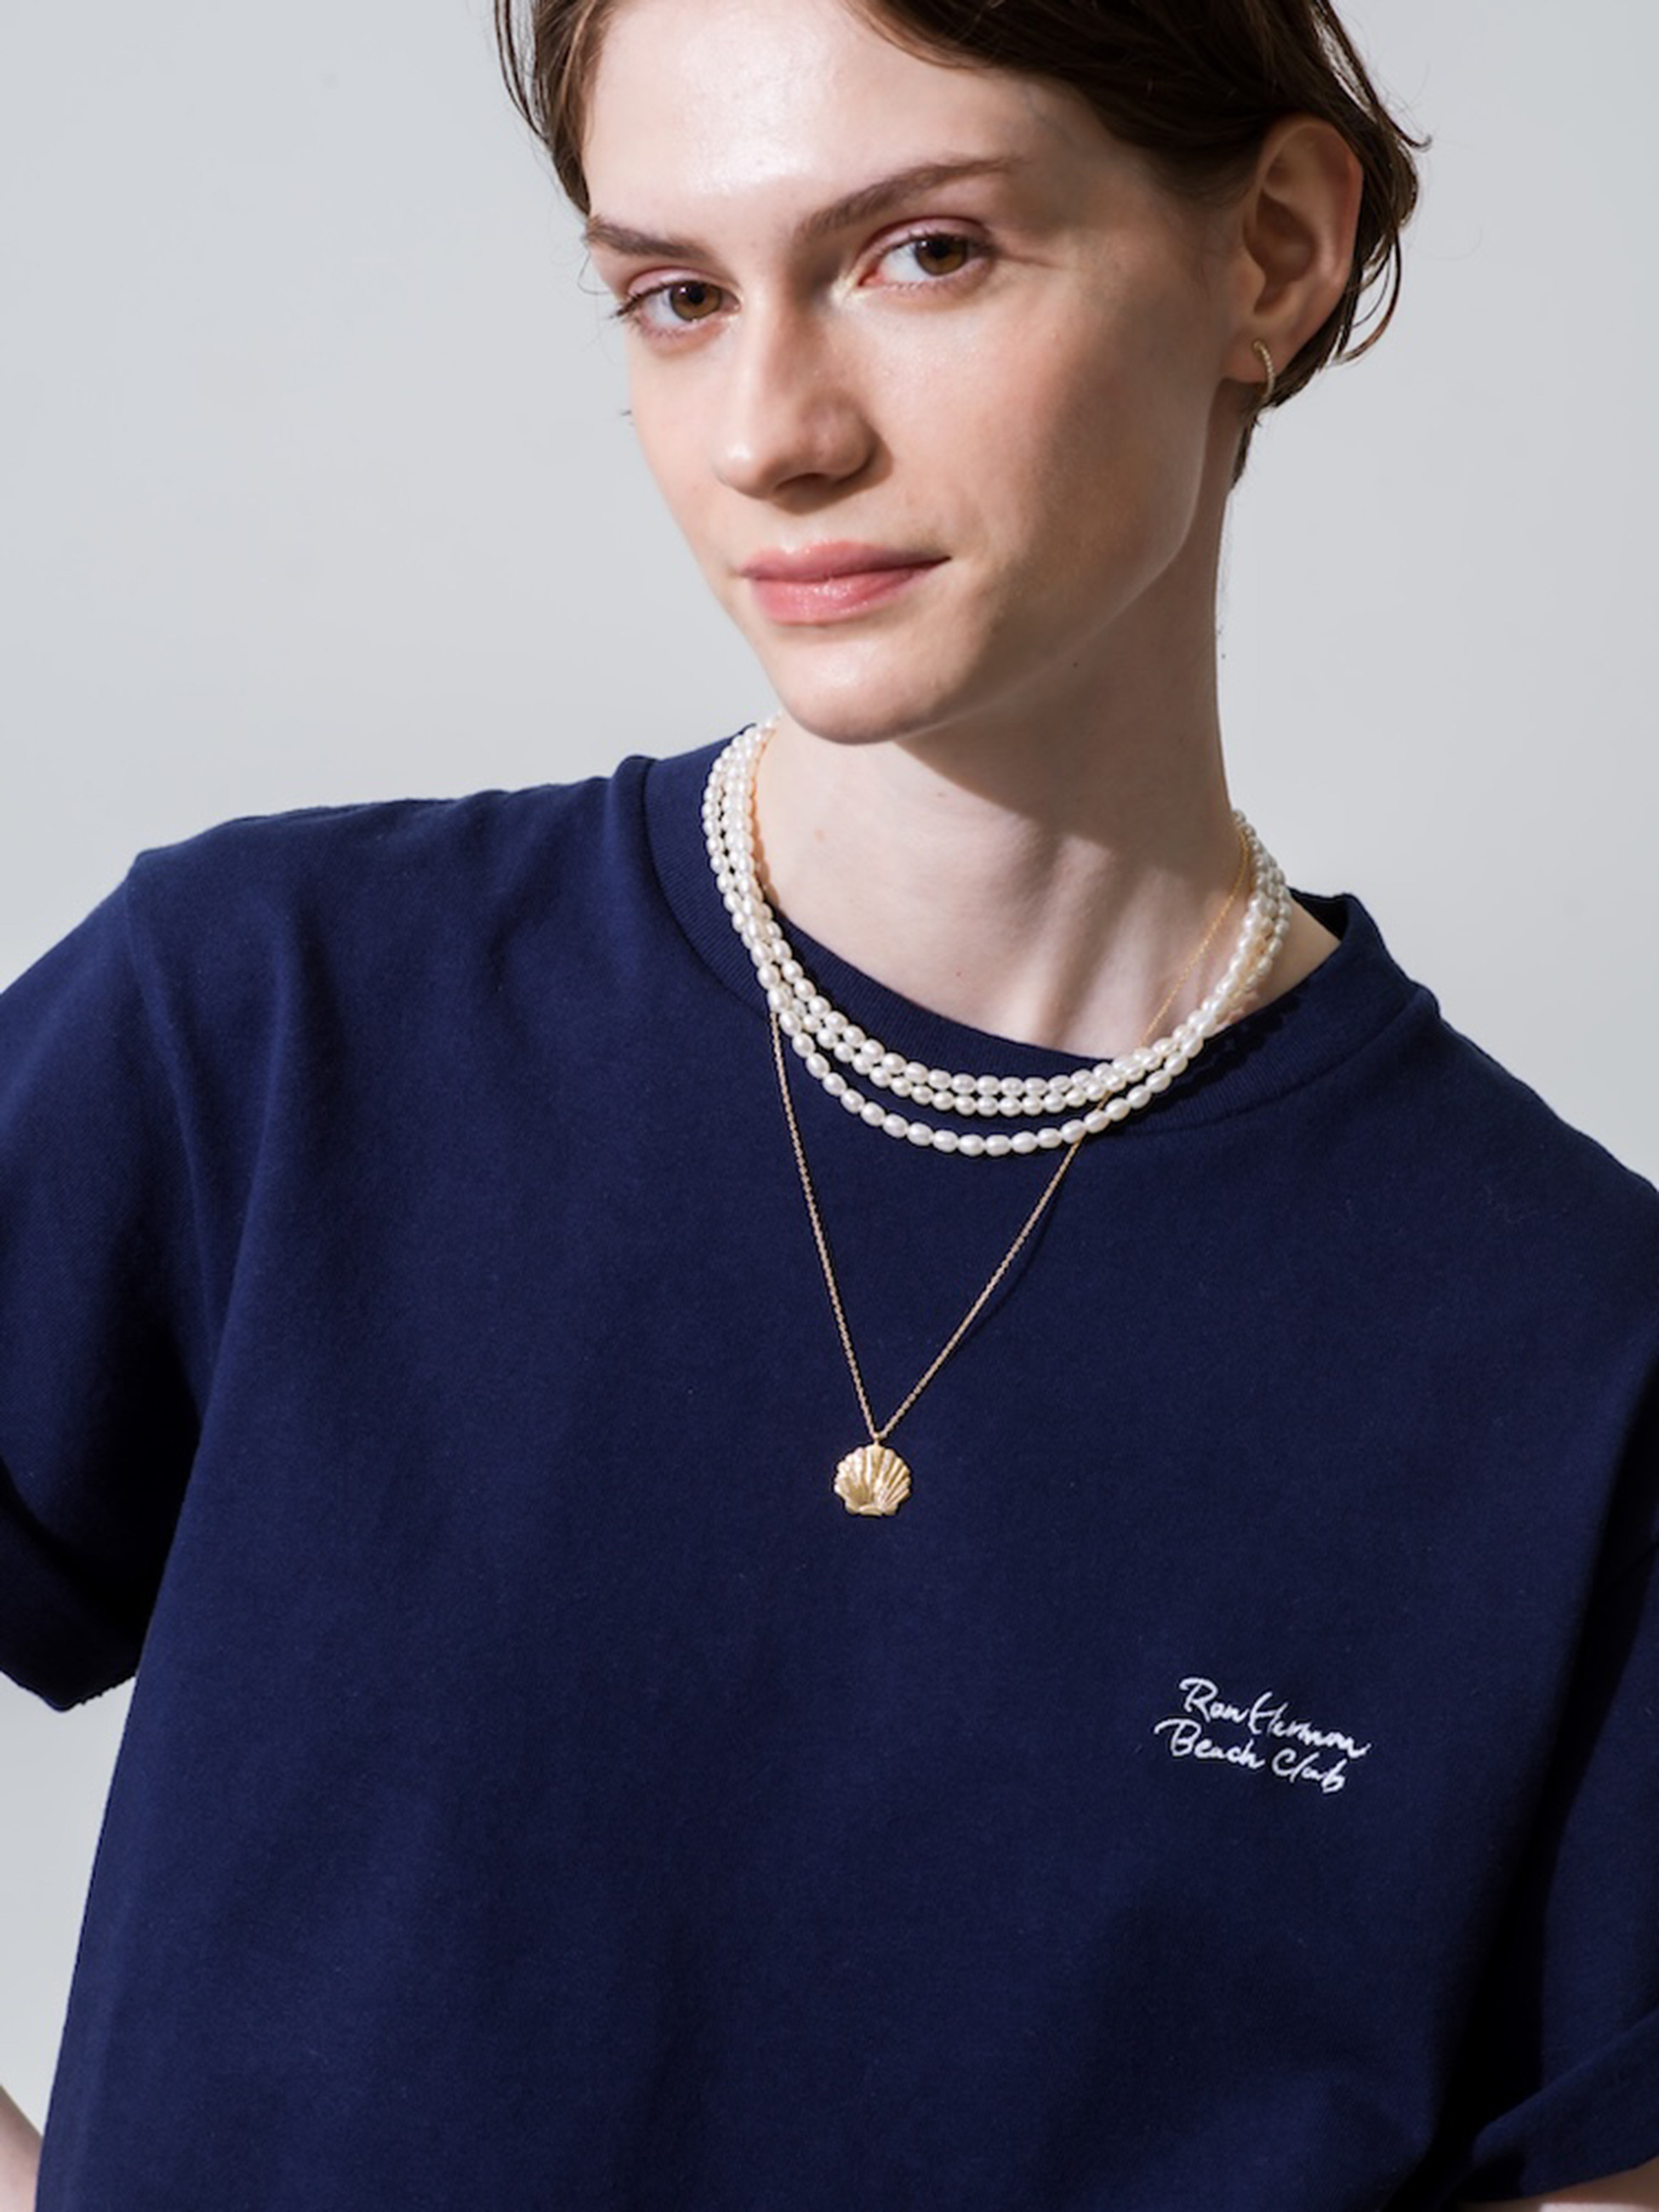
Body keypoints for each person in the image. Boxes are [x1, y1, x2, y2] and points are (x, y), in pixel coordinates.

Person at [3, 0, 1656, 2204]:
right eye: (677, 296)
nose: (772, 436)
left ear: (1272, 243)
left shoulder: (1578, 1363)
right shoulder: (268, 1029)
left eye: (924, 253)